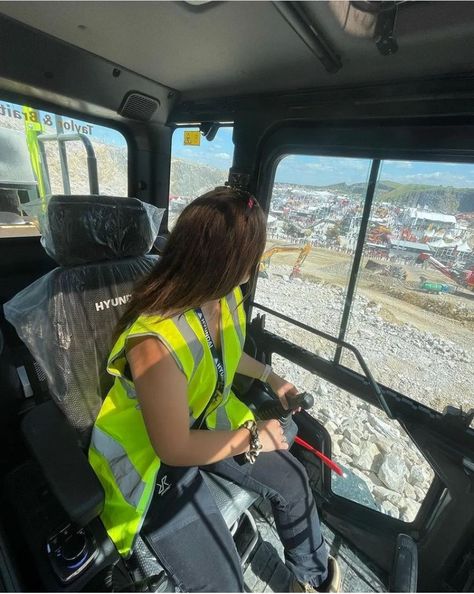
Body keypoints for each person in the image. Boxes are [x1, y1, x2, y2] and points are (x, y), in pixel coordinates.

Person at [88, 187, 340, 592]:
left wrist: (269, 378)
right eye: (249, 258)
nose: (253, 267)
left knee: (293, 483)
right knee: (222, 581)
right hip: (152, 462)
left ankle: (313, 579)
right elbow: (173, 448)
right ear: (222, 262)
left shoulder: (223, 297)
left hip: (205, 425)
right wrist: (254, 436)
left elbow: (222, 351)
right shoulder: (154, 342)